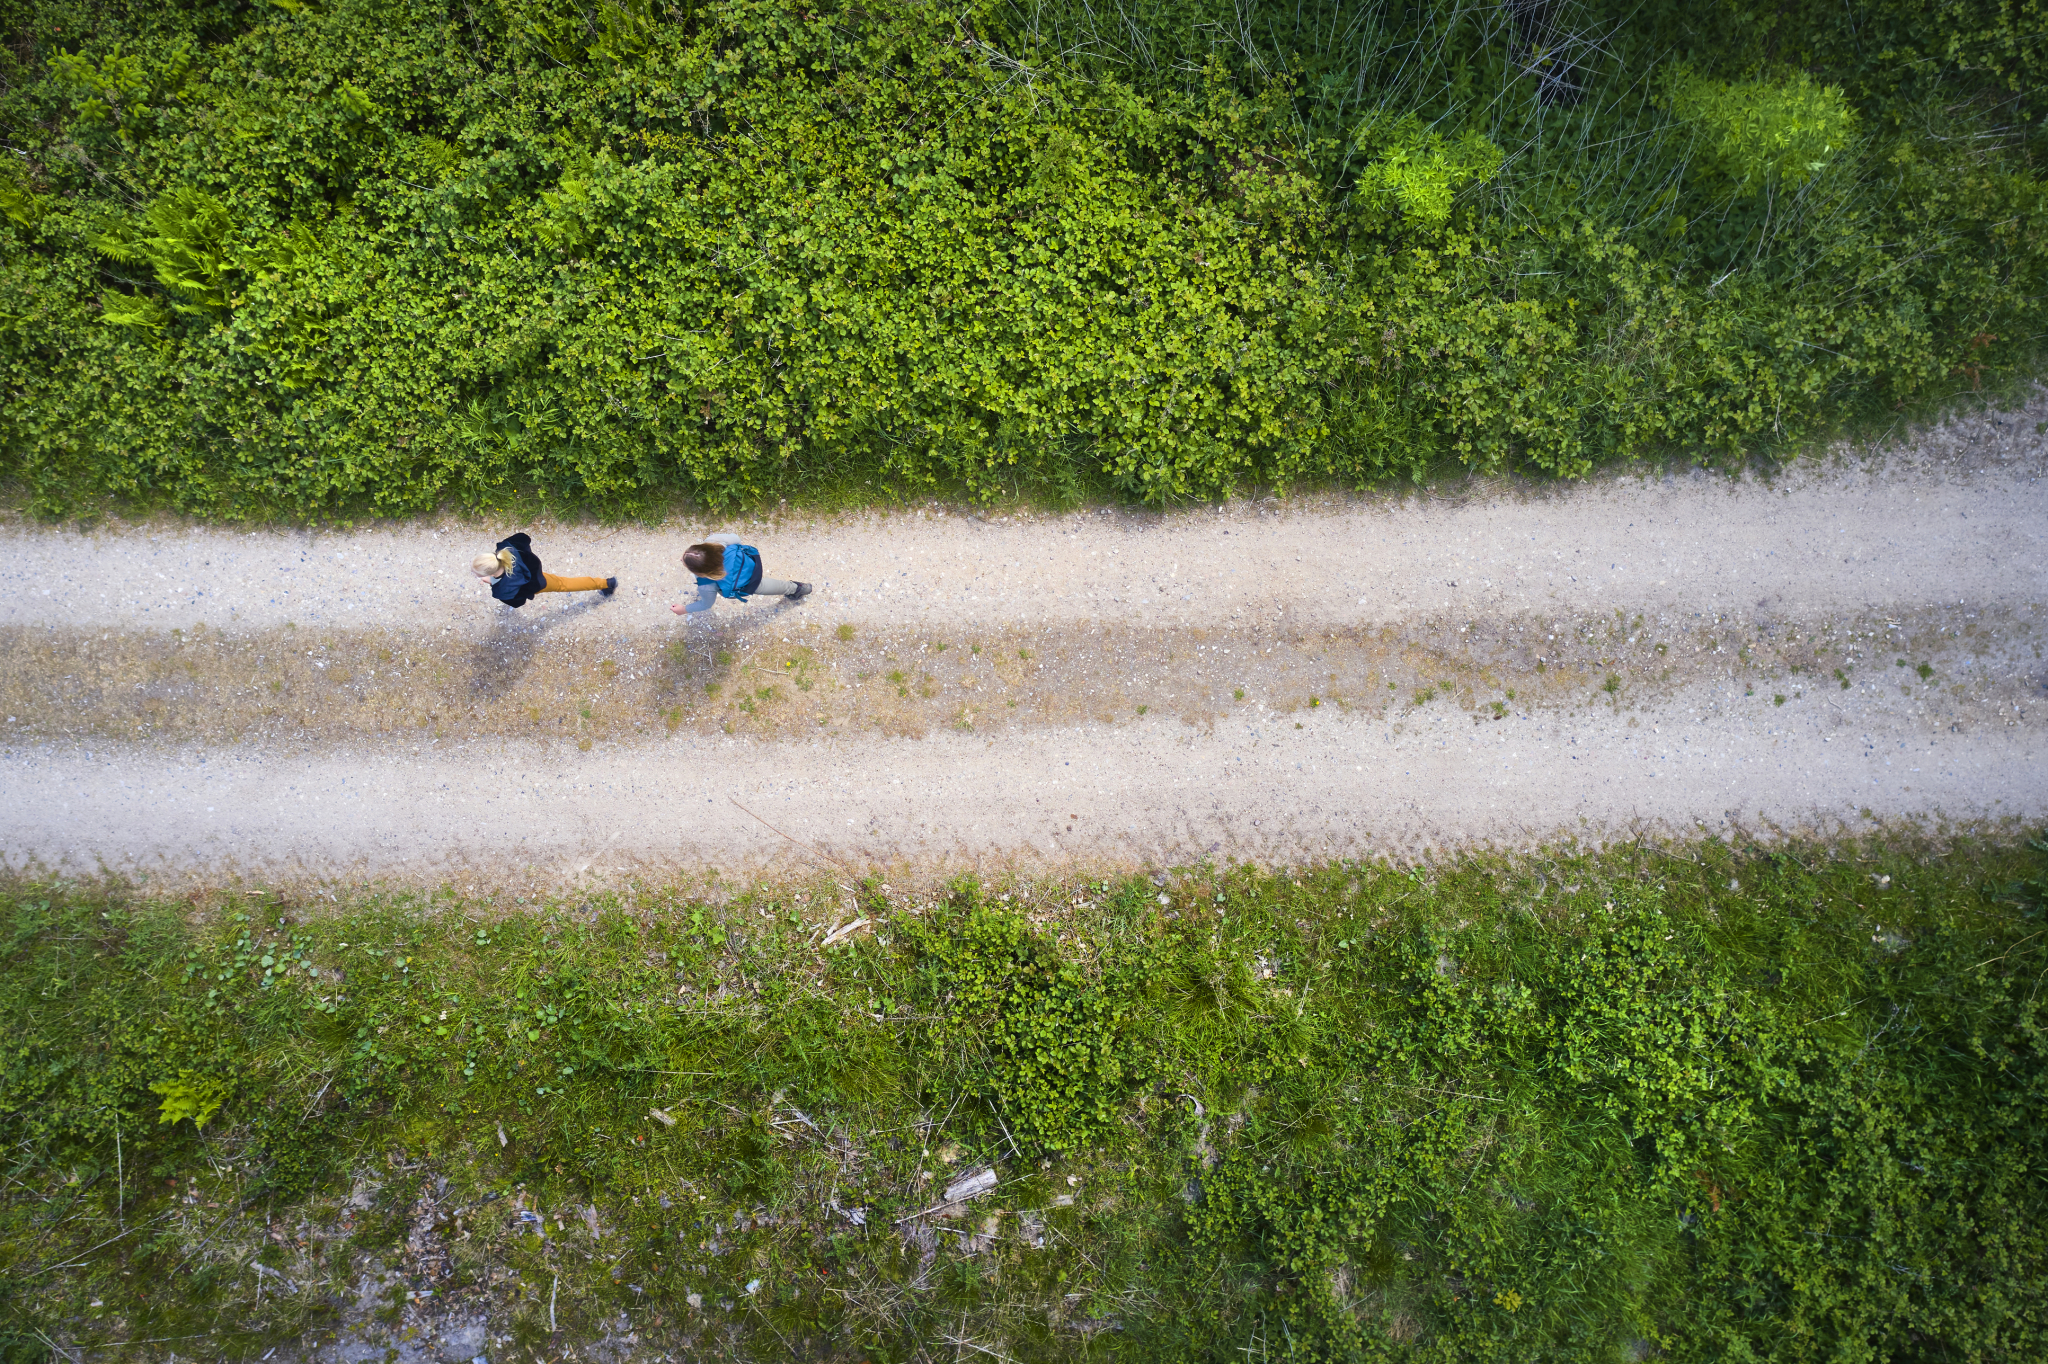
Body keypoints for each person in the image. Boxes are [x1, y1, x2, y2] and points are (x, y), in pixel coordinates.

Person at [670, 532, 811, 617]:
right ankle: (797, 588)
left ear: (702, 573)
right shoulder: (714, 540)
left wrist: (684, 610)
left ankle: (798, 589)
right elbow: (736, 538)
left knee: (758, 586)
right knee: (762, 584)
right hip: (751, 563)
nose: (681, 559)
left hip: (746, 584)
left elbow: (707, 603)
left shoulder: (706, 584)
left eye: (685, 563)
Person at [472, 533, 617, 608]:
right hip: (534, 572)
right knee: (563, 582)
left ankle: (607, 583)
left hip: (539, 584)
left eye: (477, 573)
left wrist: (492, 583)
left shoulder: (502, 590)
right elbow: (523, 538)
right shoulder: (506, 548)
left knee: (565, 584)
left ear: (491, 573)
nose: (475, 575)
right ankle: (606, 583)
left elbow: (518, 602)